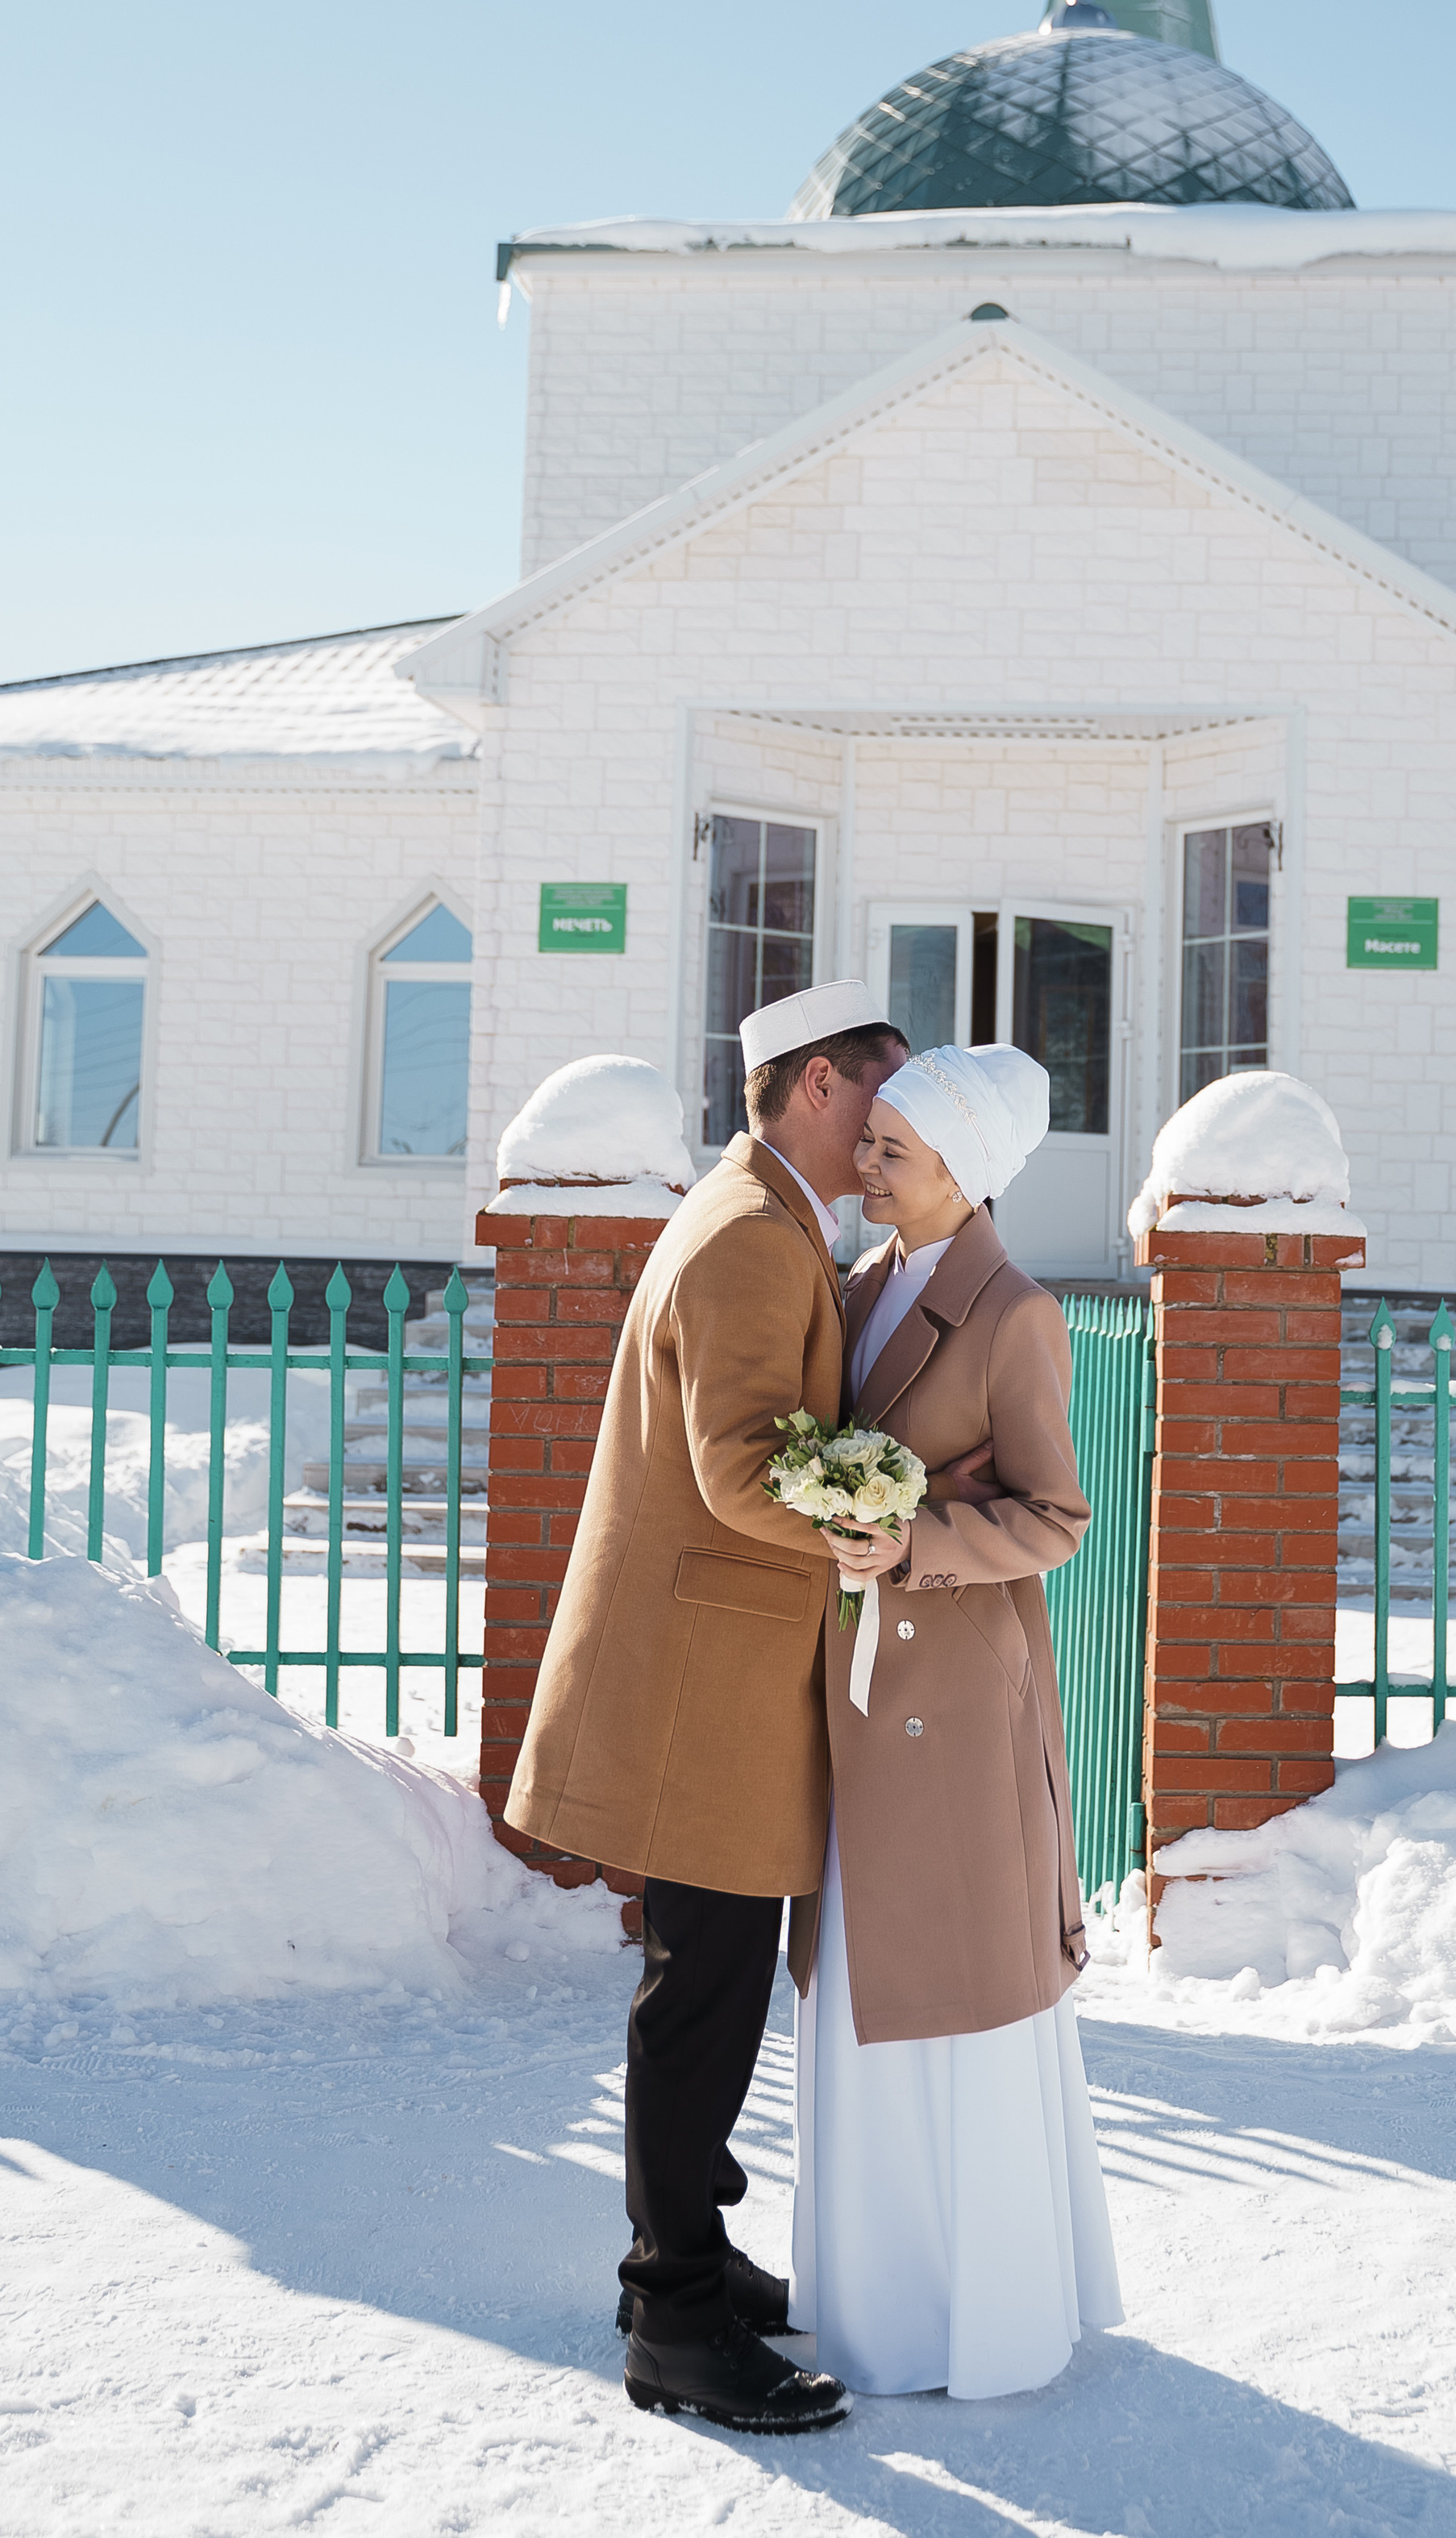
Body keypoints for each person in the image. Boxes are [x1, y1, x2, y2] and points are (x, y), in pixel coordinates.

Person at [504, 980, 908, 2436]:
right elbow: (745, 1472)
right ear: (814, 1086)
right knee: (703, 1999)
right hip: (700, 1688)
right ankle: (673, 2316)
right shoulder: (747, 1237)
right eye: (879, 1097)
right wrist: (882, 1516)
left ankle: (684, 2262)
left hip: (708, 1671)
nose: (889, 1132)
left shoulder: (767, 1214)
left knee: (709, 1983)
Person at [787, 1041, 1125, 2399]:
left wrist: (907, 1538)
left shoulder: (1015, 1314)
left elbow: (1055, 1519)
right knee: (862, 1980)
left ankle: (976, 2315)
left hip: (953, 1703)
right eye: (869, 1142)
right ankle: (876, 2303)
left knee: (955, 1992)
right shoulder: (861, 1283)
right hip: (856, 1693)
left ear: (963, 1173)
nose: (862, 1167)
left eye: (892, 1154)